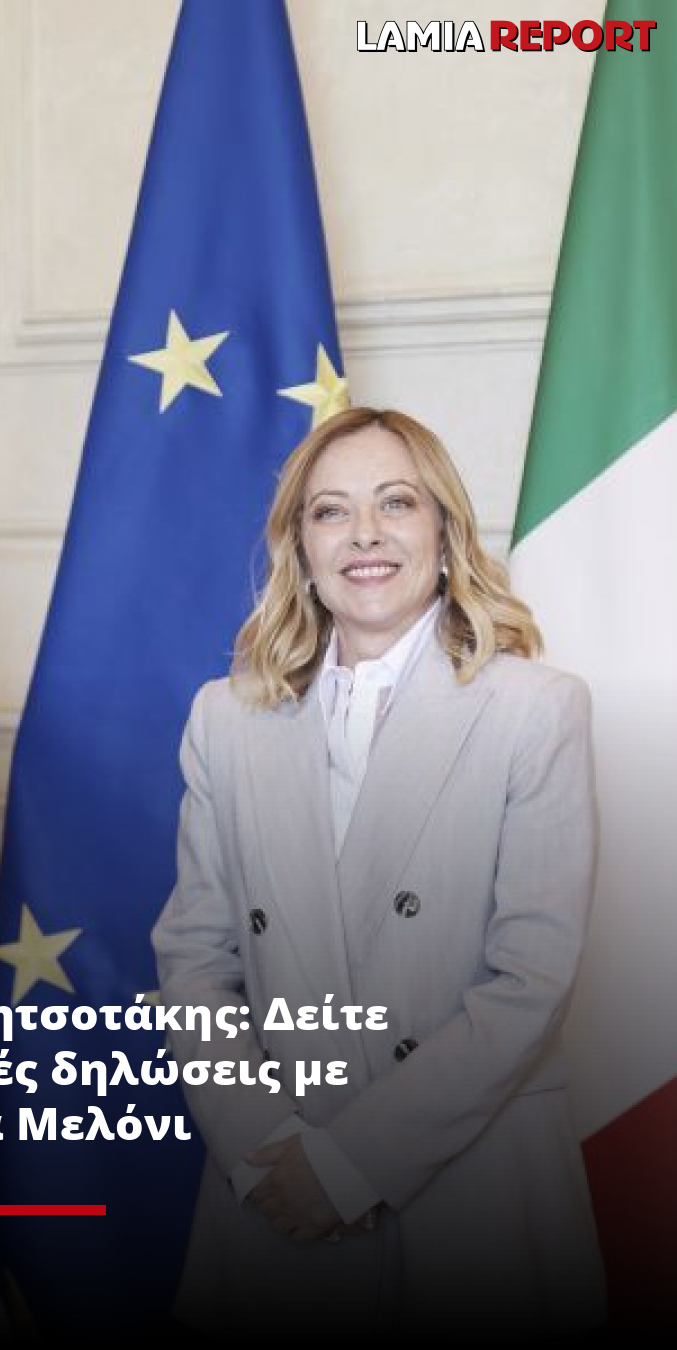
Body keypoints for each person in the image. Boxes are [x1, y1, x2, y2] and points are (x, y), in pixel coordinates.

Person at [152, 406, 606, 1334]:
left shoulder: (536, 709)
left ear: (444, 533)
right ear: (300, 546)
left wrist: (352, 1164)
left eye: (395, 503)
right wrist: (269, 1152)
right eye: (332, 511)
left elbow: (530, 980)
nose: (364, 533)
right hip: (275, 1186)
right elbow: (194, 965)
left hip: (474, 1188)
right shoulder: (224, 718)